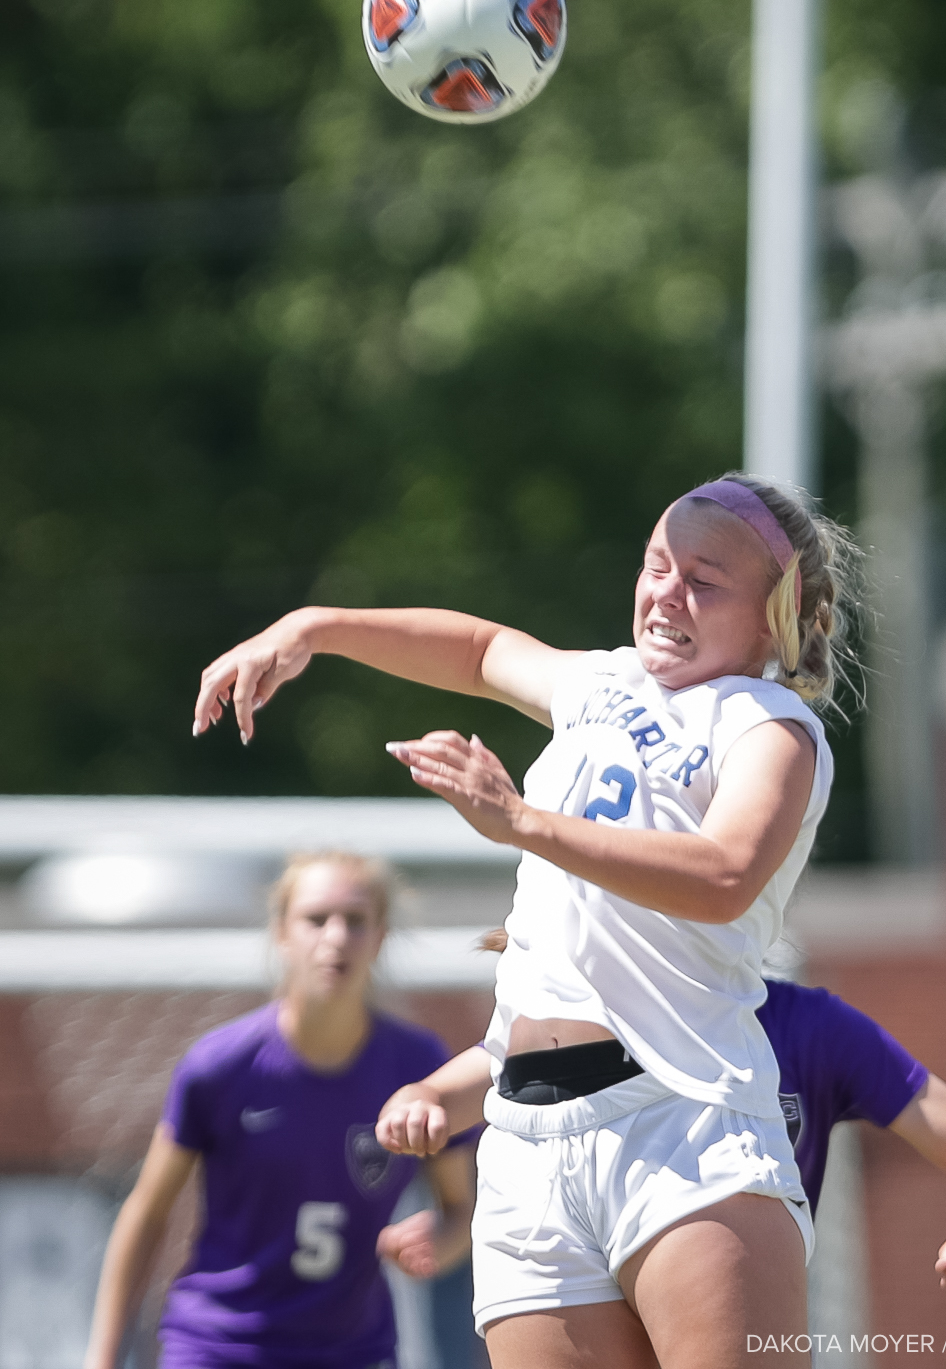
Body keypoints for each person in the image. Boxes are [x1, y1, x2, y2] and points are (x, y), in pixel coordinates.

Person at [193, 473, 857, 1369]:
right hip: (525, 1146)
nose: (667, 592)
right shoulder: (601, 684)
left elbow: (724, 877)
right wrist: (313, 627)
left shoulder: (768, 726)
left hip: (681, 1127)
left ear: (776, 619)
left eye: (705, 580)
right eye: (657, 564)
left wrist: (521, 821)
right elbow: (477, 648)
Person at [379, 961, 946, 1309]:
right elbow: (459, 1085)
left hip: (735, 1305)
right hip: (593, 1303)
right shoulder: (584, 1016)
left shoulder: (815, 1028)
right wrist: (420, 1099)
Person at [84, 852, 475, 1369]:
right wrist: (103, 1356)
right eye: (316, 919)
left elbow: (462, 1211)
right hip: (217, 1346)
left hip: (353, 1352)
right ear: (281, 933)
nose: (335, 937)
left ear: (381, 935)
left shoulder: (420, 1070)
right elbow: (147, 1213)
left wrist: (440, 1245)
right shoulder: (220, 1067)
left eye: (355, 920)